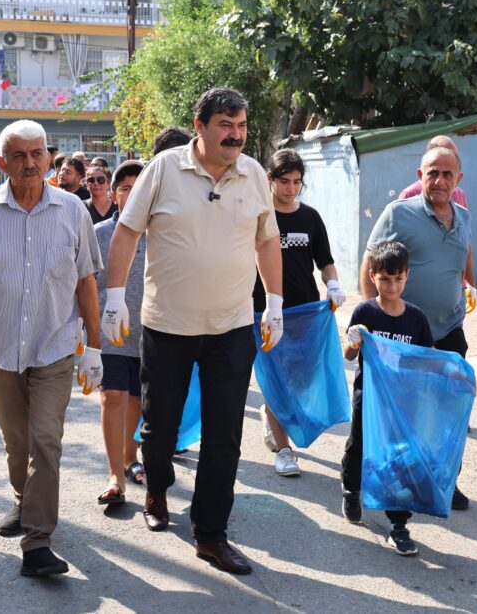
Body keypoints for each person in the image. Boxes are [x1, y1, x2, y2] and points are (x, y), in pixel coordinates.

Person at [102, 88, 283, 575]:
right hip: (168, 327)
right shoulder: (163, 169)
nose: (236, 135)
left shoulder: (253, 177)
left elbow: (268, 241)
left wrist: (275, 304)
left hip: (231, 327)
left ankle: (211, 534)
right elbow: (126, 231)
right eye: (226, 124)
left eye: (242, 125)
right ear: (200, 126)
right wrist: (115, 297)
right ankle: (156, 488)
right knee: (159, 433)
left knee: (225, 437)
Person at [0, 119, 103, 578]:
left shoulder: (72, 211)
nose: (30, 163)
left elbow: (87, 279)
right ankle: (23, 500)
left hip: (54, 346)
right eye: (19, 155)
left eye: (37, 153)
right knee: (17, 442)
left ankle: (37, 541)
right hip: (1, 347)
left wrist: (94, 346)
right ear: (2, 163)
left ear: (49, 157)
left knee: (45, 439)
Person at [362, 145, 476, 510]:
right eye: (432, 173)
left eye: (447, 174)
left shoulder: (464, 217)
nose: (439, 180)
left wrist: (468, 288)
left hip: (448, 332)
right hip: (406, 337)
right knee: (404, 412)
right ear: (420, 176)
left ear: (458, 179)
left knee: (448, 410)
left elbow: (462, 260)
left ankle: (445, 481)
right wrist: (373, 321)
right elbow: (370, 264)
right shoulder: (399, 213)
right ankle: (396, 481)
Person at [252, 148, 346, 476]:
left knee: (301, 381)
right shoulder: (259, 217)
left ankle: (271, 414)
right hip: (263, 312)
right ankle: (284, 451)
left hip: (305, 312)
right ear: (270, 180)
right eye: (284, 181)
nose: (291, 188)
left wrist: (333, 285)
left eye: (297, 182)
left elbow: (325, 261)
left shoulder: (310, 217)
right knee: (276, 379)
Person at [342, 241, 433, 556]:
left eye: (397, 278)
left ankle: (398, 524)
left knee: (399, 462)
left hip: (401, 405)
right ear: (372, 276)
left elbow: (426, 357)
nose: (391, 285)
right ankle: (351, 489)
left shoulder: (416, 318)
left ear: (407, 276)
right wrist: (353, 341)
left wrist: (449, 374)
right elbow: (349, 354)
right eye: (384, 278)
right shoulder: (365, 312)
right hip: (368, 401)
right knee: (359, 450)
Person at [95, 159, 147, 505]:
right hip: (108, 336)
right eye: (125, 188)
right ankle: (116, 475)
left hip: (151, 335)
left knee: (138, 401)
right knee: (112, 396)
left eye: (138, 187)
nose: (131, 194)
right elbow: (83, 285)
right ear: (114, 195)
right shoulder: (99, 234)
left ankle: (131, 457)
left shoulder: (163, 233)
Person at [398, 136, 468, 208]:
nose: (439, 182)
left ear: (458, 179)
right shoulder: (409, 194)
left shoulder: (460, 195)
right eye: (434, 173)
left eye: (455, 155)